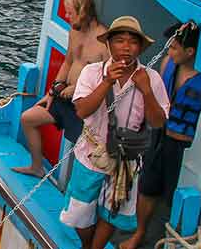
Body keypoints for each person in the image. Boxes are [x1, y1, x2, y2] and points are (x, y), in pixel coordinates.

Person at [60, 16, 170, 249]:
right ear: (109, 44)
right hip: (91, 155)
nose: (126, 47)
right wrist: (107, 82)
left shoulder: (151, 78)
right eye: (119, 40)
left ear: (140, 47)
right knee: (80, 213)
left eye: (132, 42)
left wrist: (147, 91)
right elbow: (82, 110)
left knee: (112, 211)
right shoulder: (92, 72)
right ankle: (88, 244)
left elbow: (158, 122)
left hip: (126, 160)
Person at [119, 21, 201, 249]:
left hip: (183, 148)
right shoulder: (169, 65)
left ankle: (171, 240)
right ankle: (139, 233)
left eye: (174, 47)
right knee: (147, 187)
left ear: (190, 52)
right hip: (159, 137)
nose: (169, 51)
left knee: (173, 195)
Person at [13, 0, 109, 178]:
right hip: (63, 97)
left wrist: (76, 88)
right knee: (28, 118)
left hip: (84, 105)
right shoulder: (75, 31)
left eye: (70, 13)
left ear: (83, 13)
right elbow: (68, 62)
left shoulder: (104, 40)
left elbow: (106, 79)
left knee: (83, 149)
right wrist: (52, 90)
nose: (66, 16)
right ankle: (37, 166)